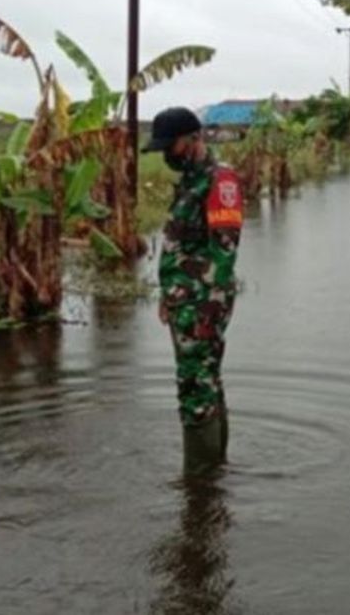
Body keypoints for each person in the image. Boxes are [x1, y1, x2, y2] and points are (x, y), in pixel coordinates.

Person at [143, 107, 243, 475]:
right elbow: (181, 248)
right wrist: (170, 298)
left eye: (171, 146)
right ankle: (215, 474)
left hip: (203, 303)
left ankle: (199, 484)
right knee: (205, 379)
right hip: (187, 301)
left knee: (195, 385)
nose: (167, 154)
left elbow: (225, 249)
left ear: (193, 139)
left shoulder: (220, 182)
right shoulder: (191, 180)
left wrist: (206, 308)